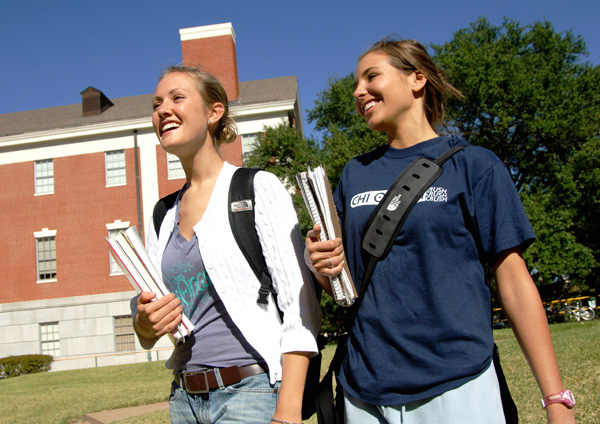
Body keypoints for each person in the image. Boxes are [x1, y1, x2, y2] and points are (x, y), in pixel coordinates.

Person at [305, 38, 576, 423]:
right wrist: (313, 256)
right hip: (365, 389)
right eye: (355, 84)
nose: (358, 91)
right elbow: (336, 274)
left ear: (416, 79)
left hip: (457, 382)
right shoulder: (354, 174)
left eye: (371, 76)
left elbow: (514, 281)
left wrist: (556, 399)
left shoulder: (474, 165)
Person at [132, 65, 321, 424]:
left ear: (214, 112)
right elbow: (146, 324)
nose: (162, 110)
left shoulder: (256, 188)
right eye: (156, 104)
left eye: (177, 98)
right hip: (183, 399)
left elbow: (301, 304)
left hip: (250, 395)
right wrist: (144, 322)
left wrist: (289, 409)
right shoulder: (163, 213)